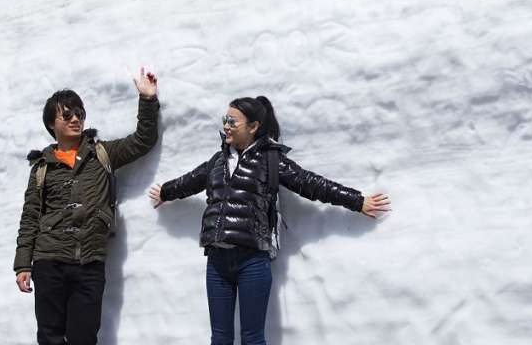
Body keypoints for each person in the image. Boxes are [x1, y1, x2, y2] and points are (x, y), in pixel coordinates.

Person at [148, 95, 390, 345]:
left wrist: (357, 201)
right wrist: (166, 191)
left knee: (252, 338)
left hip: (252, 260)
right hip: (217, 262)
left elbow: (311, 183)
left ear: (253, 127)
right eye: (225, 120)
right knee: (220, 338)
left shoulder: (270, 160)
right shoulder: (217, 161)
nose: (226, 126)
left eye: (233, 121)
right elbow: (190, 181)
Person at [14, 68, 161, 345]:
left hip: (89, 263)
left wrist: (148, 99)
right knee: (50, 337)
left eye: (79, 113)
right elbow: (30, 216)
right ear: (51, 124)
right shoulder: (42, 168)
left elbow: (143, 140)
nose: (75, 119)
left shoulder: (102, 153)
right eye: (66, 115)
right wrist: (23, 264)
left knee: (84, 337)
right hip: (49, 262)